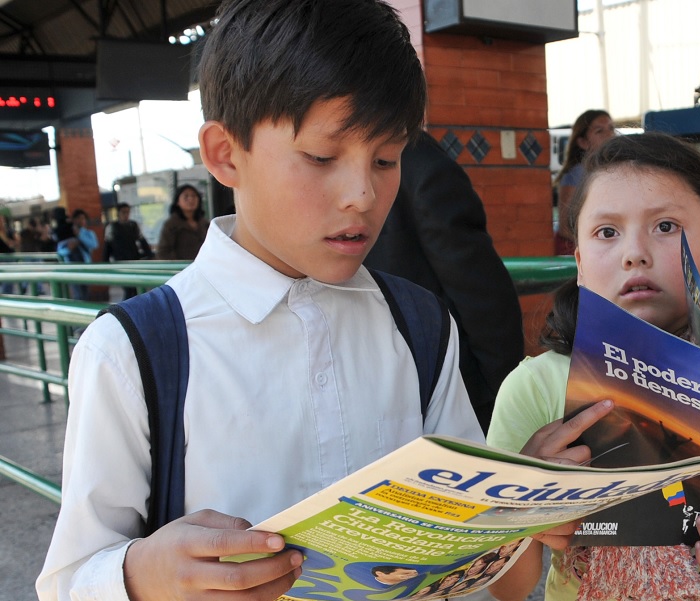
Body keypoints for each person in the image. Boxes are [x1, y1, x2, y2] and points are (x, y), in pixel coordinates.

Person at [36, 1, 484, 600]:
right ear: (225, 154)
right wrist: (141, 577)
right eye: (323, 157)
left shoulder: (420, 324)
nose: (363, 194)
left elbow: (463, 529)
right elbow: (69, 579)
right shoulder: (135, 352)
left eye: (386, 159)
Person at [488, 133, 700, 601]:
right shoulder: (534, 388)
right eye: (607, 232)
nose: (633, 252)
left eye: (665, 226)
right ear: (579, 264)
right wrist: (524, 508)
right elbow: (508, 590)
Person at [364, 131, 524, 433]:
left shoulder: (419, 162)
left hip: (448, 393)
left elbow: (480, 290)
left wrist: (504, 392)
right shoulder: (419, 158)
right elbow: (482, 292)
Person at [553, 110, 615, 255]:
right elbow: (566, 228)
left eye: (611, 128)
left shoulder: (612, 171)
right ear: (583, 142)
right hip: (575, 250)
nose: (610, 135)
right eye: (600, 131)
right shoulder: (577, 173)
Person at [104, 202, 152, 299]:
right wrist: (105, 263)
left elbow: (142, 240)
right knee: (128, 288)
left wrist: (149, 255)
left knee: (135, 288)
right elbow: (107, 247)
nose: (126, 215)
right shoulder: (112, 227)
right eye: (123, 212)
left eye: (128, 212)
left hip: (134, 261)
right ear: (118, 213)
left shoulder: (133, 225)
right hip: (120, 262)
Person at [155, 183, 209, 260]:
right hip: (181, 268)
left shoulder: (205, 223)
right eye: (186, 196)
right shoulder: (171, 224)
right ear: (178, 202)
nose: (190, 199)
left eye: (194, 196)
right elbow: (163, 252)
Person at [56, 209, 98, 300]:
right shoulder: (66, 233)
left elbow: (94, 245)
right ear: (74, 220)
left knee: (86, 293)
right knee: (78, 294)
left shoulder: (88, 233)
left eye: (83, 218)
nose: (81, 221)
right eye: (78, 218)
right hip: (72, 268)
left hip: (86, 267)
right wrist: (69, 249)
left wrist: (80, 235)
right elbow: (59, 251)